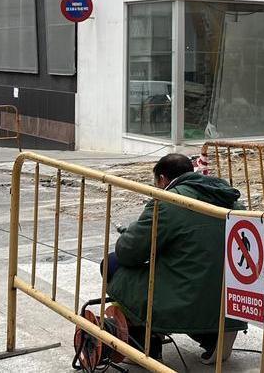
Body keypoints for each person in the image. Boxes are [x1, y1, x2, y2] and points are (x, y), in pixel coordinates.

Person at [102, 153, 246, 364]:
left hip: (188, 293)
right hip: (230, 296)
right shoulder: (230, 200)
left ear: (162, 179)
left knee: (112, 263)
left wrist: (131, 235)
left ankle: (146, 342)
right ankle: (214, 335)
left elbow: (129, 251)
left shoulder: (169, 202)